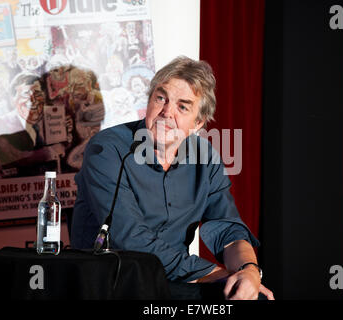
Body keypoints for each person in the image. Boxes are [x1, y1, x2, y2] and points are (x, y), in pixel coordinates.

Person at [70, 56, 274, 300]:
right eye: (160, 98)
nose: (166, 112)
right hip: (112, 280)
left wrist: (249, 272)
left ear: (198, 122)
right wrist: (216, 274)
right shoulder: (107, 149)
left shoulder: (205, 157)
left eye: (182, 106)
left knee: (251, 296)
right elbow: (130, 237)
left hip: (173, 281)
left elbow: (226, 229)